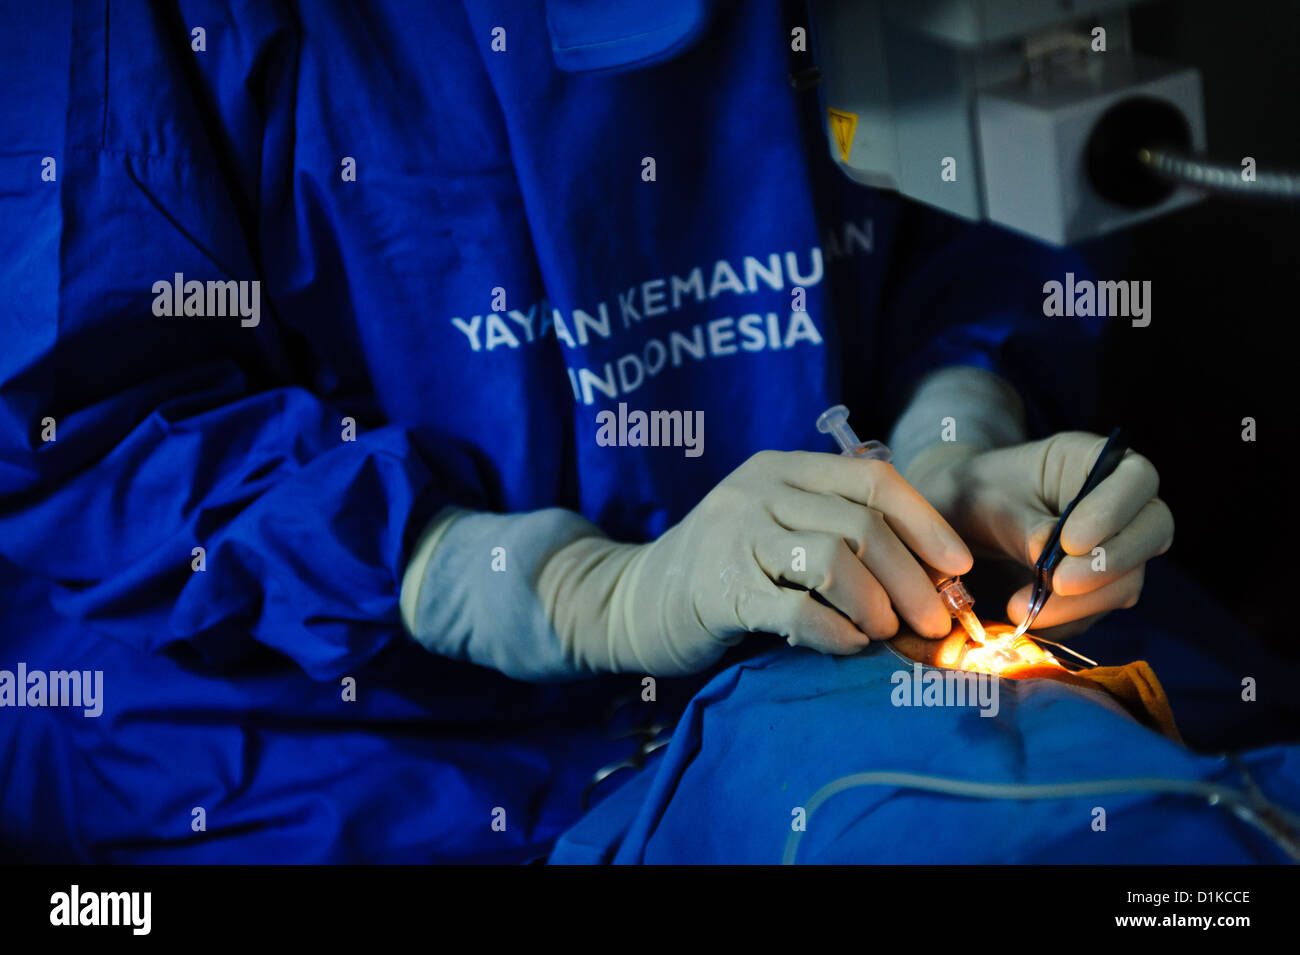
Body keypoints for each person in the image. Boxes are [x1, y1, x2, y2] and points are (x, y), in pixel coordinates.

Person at [0, 0, 1174, 861]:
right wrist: (559, 589)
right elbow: (94, 420)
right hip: (326, 734)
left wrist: (957, 424)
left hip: (847, 660)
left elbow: (1006, 206)